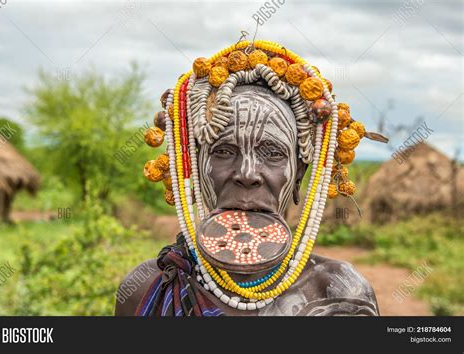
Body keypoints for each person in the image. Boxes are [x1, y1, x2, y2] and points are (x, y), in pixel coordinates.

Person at [116, 39, 386, 316]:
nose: (247, 174)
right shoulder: (147, 288)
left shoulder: (342, 295)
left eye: (272, 153)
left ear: (298, 176)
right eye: (223, 151)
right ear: (195, 167)